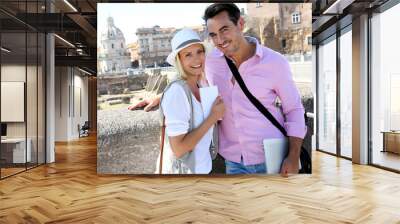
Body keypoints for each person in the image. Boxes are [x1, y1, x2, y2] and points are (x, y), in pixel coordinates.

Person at [129, 3, 306, 176]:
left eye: (224, 30)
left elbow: (294, 109)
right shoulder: (210, 60)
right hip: (233, 160)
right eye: (213, 34)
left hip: (271, 158)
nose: (220, 40)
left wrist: (293, 155)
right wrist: (162, 97)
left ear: (241, 24)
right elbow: (190, 79)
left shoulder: (275, 62)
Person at [155, 28, 225, 174]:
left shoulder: (202, 84)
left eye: (200, 52)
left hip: (205, 169)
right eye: (188, 55)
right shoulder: (177, 92)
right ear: (179, 60)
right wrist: (212, 117)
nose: (197, 59)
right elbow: (179, 149)